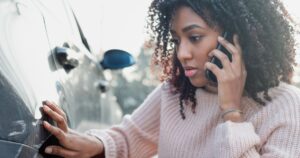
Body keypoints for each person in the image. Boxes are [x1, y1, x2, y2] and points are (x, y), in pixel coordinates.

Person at [42, 0, 300, 157]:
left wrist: (231, 112)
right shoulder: (177, 92)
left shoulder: (285, 105)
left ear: (238, 38)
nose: (182, 53)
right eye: (176, 40)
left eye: (195, 37)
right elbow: (129, 139)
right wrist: (88, 142)